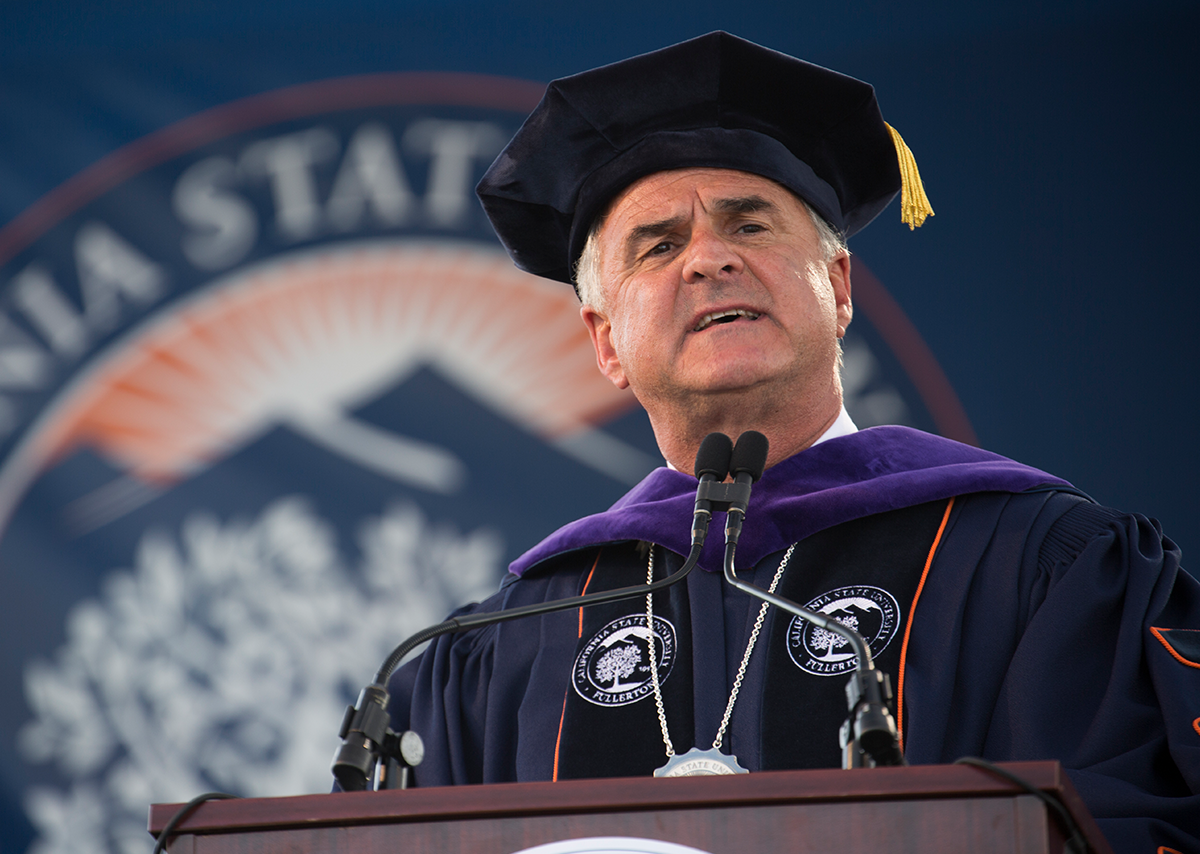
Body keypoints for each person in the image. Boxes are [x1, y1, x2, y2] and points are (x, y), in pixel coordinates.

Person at [384, 32, 1199, 851]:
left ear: (838, 288)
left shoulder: (1027, 560)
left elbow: (1119, 823)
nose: (708, 259)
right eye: (659, 245)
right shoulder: (513, 639)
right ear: (606, 343)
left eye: (751, 224)